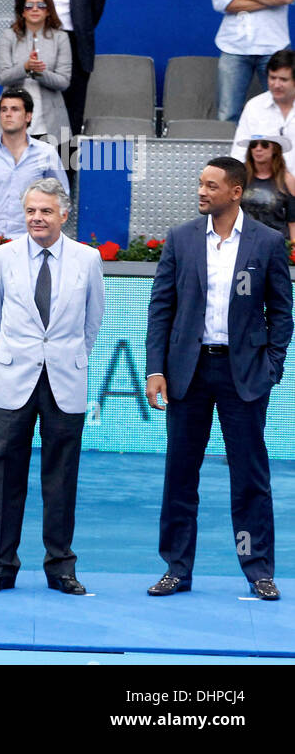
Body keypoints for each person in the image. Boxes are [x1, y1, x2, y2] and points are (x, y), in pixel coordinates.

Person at [145, 156, 292, 601]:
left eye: (211, 185)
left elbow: (282, 313)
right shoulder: (181, 239)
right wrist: (156, 368)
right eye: (200, 184)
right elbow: (161, 308)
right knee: (180, 474)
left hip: (244, 375)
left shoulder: (266, 243)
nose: (201, 191)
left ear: (235, 191)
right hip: (187, 373)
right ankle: (176, 569)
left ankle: (258, 569)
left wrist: (272, 366)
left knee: (249, 476)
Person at [0, 178, 105, 595]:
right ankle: (1, 566)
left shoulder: (88, 259)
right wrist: (15, 358)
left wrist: (63, 357)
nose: (37, 218)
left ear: (63, 215)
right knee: (4, 479)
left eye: (46, 211)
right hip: (13, 379)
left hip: (65, 379)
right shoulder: (2, 257)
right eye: (31, 210)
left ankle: (61, 567)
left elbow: (92, 323)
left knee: (62, 477)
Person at [15, 0, 108, 139]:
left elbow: (95, 8)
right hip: (38, 39)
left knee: (70, 115)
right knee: (33, 108)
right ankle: (31, 170)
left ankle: (65, 171)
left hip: (75, 42)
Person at [0, 88, 69, 242]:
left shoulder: (46, 153)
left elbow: (62, 195)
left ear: (28, 116)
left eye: (15, 109)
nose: (8, 114)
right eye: (4, 110)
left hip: (31, 242)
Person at [0, 0, 72, 142]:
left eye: (41, 5)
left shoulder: (61, 38)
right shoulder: (9, 36)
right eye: (29, 6)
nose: (35, 9)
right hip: (13, 118)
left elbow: (64, 82)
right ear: (22, 12)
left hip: (49, 120)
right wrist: (25, 68)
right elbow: (3, 77)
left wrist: (39, 73)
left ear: (48, 11)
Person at [230, 50, 295, 160]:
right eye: (272, 78)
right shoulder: (254, 106)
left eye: (283, 80)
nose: (276, 85)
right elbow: (239, 153)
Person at [242, 135, 295, 239]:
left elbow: (293, 220)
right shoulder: (241, 175)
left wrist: (293, 249)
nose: (258, 148)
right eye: (253, 145)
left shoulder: (287, 179)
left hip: (276, 242)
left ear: (275, 149)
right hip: (246, 239)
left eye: (264, 145)